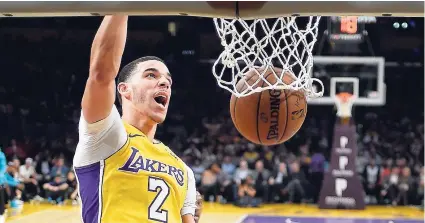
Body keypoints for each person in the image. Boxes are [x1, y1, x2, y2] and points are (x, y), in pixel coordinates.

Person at [73, 15, 200, 223]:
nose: (164, 83)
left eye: (168, 80)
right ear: (124, 90)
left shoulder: (183, 170)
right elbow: (101, 74)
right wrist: (121, 8)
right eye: (151, 75)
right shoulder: (107, 136)